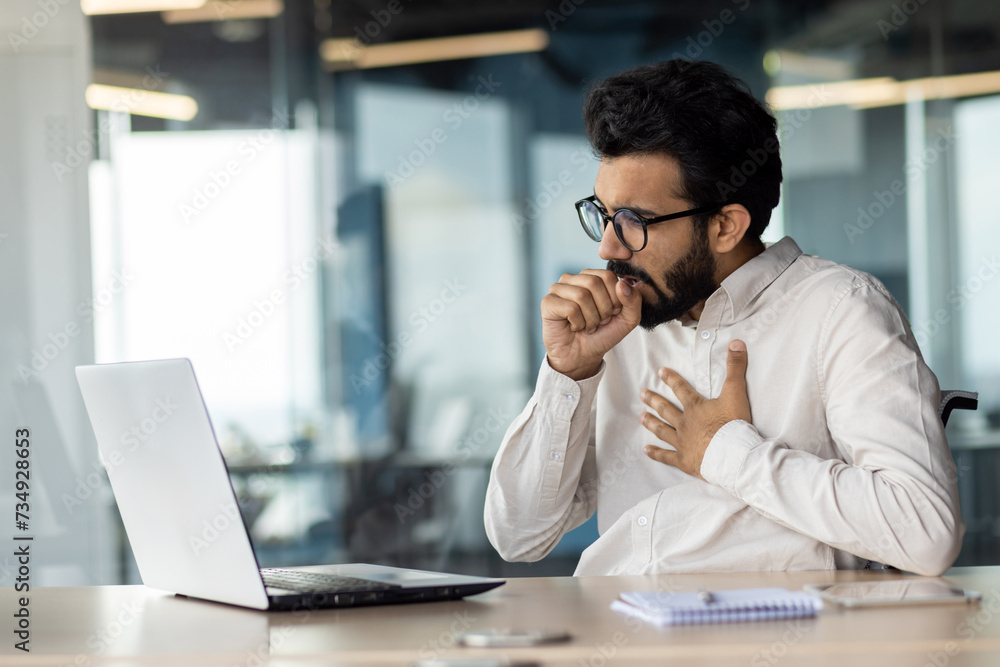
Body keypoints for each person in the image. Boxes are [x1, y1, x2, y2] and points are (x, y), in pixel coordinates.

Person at [483, 59, 964, 576]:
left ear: (726, 226)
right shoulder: (619, 326)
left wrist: (726, 451)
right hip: (616, 637)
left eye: (633, 221)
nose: (607, 245)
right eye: (603, 213)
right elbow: (519, 536)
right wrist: (568, 374)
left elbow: (925, 531)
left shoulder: (841, 309)